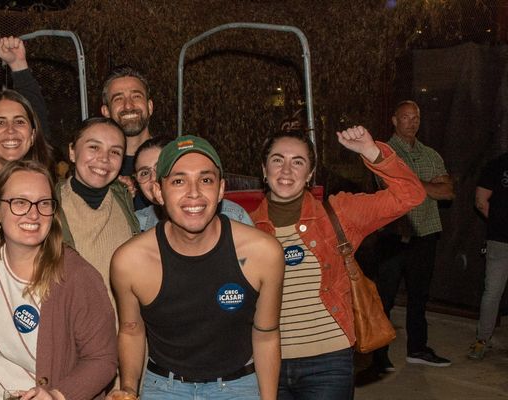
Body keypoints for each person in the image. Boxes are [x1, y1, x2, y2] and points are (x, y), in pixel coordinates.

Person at [248, 127, 424, 399]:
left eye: (298, 162)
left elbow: (410, 195)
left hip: (328, 363)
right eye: (277, 160)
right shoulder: (244, 226)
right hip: (266, 362)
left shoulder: (339, 213)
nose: (286, 170)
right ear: (263, 169)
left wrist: (371, 151)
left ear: (309, 174)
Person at [108, 136, 284, 400]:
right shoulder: (130, 261)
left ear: (221, 189)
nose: (194, 192)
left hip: (239, 387)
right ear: (158, 191)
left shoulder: (263, 252)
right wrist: (129, 389)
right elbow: (132, 330)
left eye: (206, 180)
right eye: (178, 181)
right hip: (163, 389)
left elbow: (266, 335)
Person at [0, 160, 118, 400]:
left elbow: (103, 359)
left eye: (43, 203)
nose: (34, 213)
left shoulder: (76, 277)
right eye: (19, 202)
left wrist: (58, 395)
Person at [374, 100, 456, 370]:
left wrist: (411, 184)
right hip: (393, 236)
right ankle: (378, 354)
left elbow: (448, 192)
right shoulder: (383, 152)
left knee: (419, 297)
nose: (412, 122)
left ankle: (417, 348)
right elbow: (392, 187)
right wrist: (427, 185)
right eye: (406, 117)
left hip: (426, 234)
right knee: (384, 298)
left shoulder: (430, 154)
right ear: (395, 121)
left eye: (416, 117)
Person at [58, 117, 138, 304]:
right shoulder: (48, 204)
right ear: (72, 151)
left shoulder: (124, 199)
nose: (104, 158)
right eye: (94, 147)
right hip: (75, 328)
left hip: (127, 329)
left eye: (115, 152)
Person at [132, 136, 253, 231]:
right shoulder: (136, 224)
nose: (154, 177)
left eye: (160, 167)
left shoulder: (234, 216)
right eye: (144, 173)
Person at [0, 90, 55, 184]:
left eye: (19, 122)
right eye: (0, 122)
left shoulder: (47, 187)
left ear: (32, 135)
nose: (10, 130)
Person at [99, 66, 155, 210]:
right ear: (106, 111)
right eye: (118, 99)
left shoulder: (172, 157)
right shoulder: (97, 166)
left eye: (136, 96)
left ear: (150, 106)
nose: (128, 106)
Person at [470, 151, 508, 360]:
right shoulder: (497, 164)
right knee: (492, 292)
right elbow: (481, 200)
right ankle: (482, 340)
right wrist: (499, 224)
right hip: (500, 242)